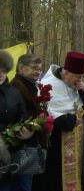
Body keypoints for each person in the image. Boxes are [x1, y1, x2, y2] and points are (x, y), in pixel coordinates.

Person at [33, 51, 84, 191]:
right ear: (66, 73)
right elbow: (42, 115)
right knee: (55, 180)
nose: (79, 80)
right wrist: (61, 120)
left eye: (81, 77)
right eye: (77, 77)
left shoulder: (77, 85)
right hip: (56, 145)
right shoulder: (47, 84)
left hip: (77, 146)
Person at [9, 54, 44, 191]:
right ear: (21, 68)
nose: (38, 72)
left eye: (40, 69)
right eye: (34, 68)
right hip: (20, 148)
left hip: (28, 147)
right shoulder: (17, 87)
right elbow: (19, 117)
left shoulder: (29, 86)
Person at [0, 50, 34, 191]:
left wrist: (29, 132)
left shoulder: (14, 93)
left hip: (12, 152)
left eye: (3, 70)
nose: (0, 74)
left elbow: (24, 118)